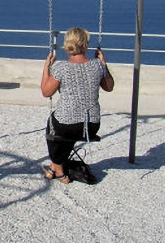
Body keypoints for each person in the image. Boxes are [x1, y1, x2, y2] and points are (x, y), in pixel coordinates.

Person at [40, 26, 114, 183]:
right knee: (68, 127)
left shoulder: (61, 68)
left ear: (67, 46)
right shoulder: (97, 66)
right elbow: (109, 87)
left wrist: (47, 67)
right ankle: (56, 167)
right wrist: (103, 63)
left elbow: (46, 92)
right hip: (92, 125)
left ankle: (58, 168)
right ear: (85, 46)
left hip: (68, 126)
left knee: (53, 124)